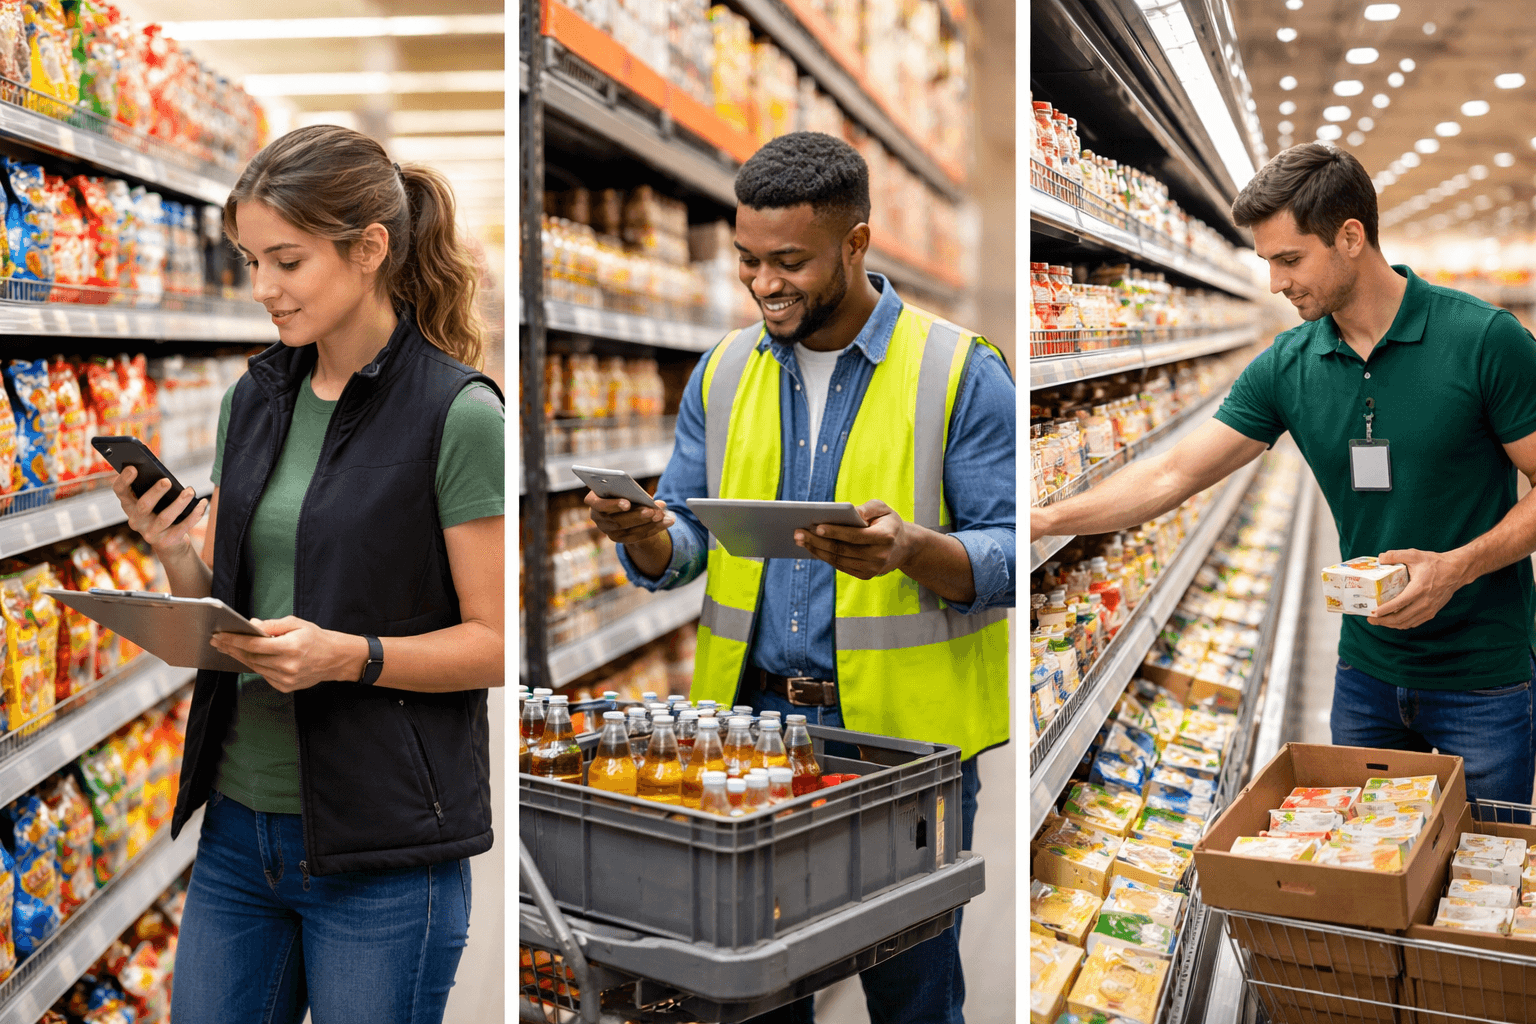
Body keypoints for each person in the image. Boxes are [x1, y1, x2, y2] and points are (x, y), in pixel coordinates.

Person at [584, 131, 1014, 1023]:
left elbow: (1013, 550)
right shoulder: (725, 369)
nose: (765, 283)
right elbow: (689, 549)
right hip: (750, 736)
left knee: (914, 996)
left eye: (791, 261)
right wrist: (646, 534)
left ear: (856, 244)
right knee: (753, 995)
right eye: (748, 260)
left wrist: (914, 551)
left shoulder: (959, 372)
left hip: (901, 746)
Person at [109, 125, 505, 1023]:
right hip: (239, 831)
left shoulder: (458, 413)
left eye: (286, 260)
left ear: (369, 250)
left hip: (384, 853)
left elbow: (494, 643)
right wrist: (175, 553)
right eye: (251, 260)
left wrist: (349, 656)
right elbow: (227, 616)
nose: (263, 290)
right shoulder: (254, 400)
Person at [1032, 142, 1536, 808]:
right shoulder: (1289, 363)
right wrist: (1045, 519)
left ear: (1351, 237)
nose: (1274, 283)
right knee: (1368, 884)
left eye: (1289, 259)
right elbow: (1175, 472)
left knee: (1482, 886)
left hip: (1485, 678)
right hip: (1367, 674)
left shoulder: (1483, 340)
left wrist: (1458, 567)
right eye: (1266, 262)